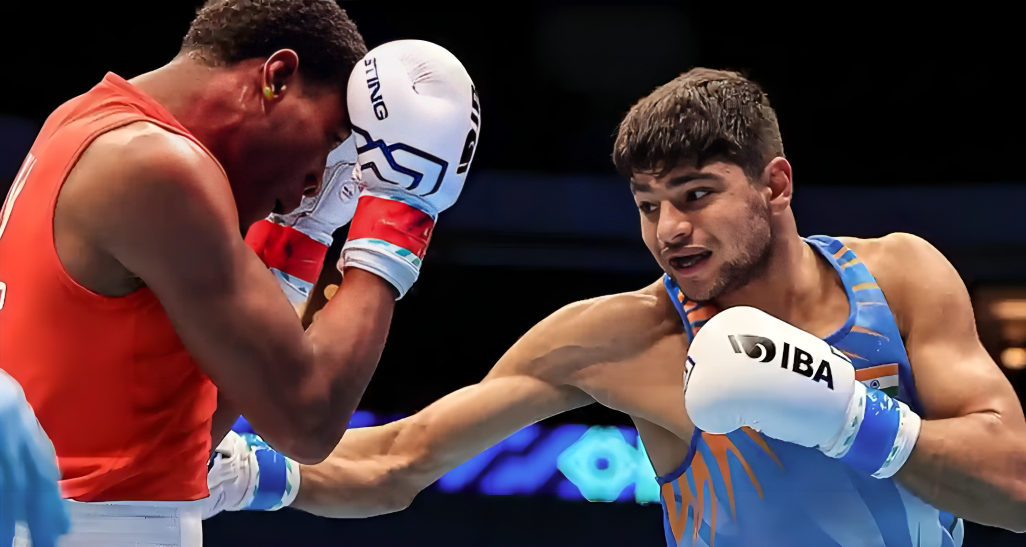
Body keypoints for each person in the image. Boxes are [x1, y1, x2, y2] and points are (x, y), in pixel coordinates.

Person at [206, 69, 1026, 546]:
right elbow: (399, 458)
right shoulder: (621, 337)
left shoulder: (903, 277)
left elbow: (1015, 487)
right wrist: (243, 473)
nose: (670, 230)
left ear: (776, 185)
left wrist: (851, 416)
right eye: (647, 204)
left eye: (697, 195)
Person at [0, 0, 479, 544]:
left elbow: (185, 434)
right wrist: (399, 204)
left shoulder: (83, 122)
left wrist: (298, 239)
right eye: (328, 142)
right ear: (276, 77)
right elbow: (308, 421)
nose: (317, 181)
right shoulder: (159, 170)